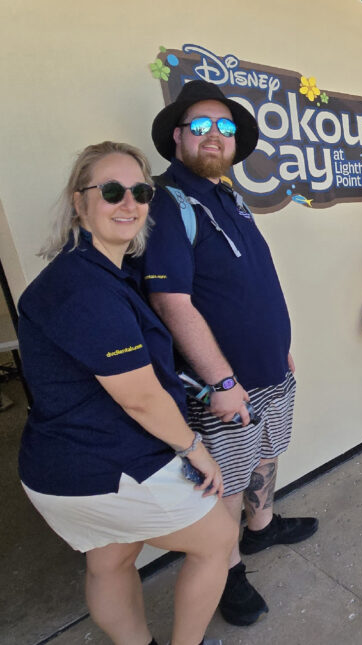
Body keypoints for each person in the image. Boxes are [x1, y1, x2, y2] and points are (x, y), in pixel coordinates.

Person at [18, 141, 236, 645]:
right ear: (80, 202)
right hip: (101, 464)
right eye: (112, 191)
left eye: (141, 191)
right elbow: (138, 397)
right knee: (219, 538)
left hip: (62, 465)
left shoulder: (102, 271)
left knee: (112, 556)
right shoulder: (83, 288)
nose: (130, 203)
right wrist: (194, 448)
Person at [139, 80, 318, 627]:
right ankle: (227, 568)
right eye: (200, 126)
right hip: (224, 386)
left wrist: (279, 349)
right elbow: (171, 300)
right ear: (177, 137)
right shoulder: (169, 202)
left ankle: (260, 528)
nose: (214, 136)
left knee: (265, 452)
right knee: (222, 482)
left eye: (225, 128)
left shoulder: (229, 197)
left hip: (269, 372)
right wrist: (219, 382)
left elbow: (249, 283)